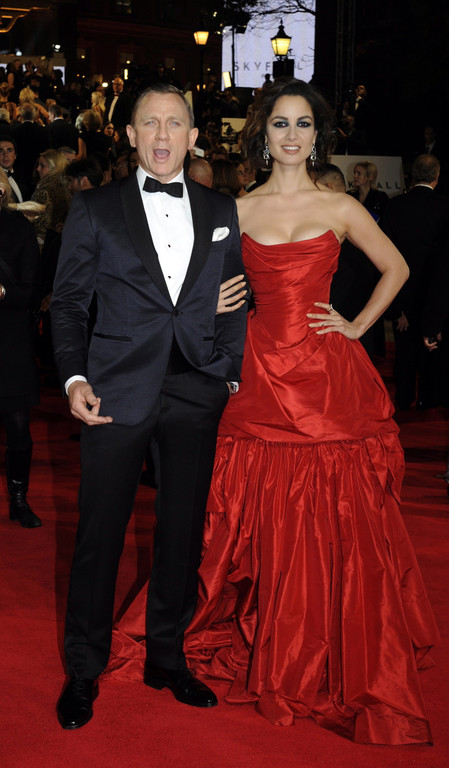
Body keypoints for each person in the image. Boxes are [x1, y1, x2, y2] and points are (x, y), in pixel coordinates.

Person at [110, 78, 438, 745]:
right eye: (280, 124)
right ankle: (256, 624)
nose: (291, 135)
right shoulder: (234, 209)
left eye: (303, 124)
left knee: (333, 511)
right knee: (242, 508)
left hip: (325, 377)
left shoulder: (339, 205)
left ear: (318, 136)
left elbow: (398, 268)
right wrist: (212, 305)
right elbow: (192, 286)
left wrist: (356, 325)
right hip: (257, 372)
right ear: (263, 134)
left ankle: (321, 639)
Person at [50, 82, 247, 730]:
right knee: (99, 535)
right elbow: (70, 303)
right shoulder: (95, 207)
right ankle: (84, 669)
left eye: (175, 123)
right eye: (150, 124)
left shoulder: (220, 206)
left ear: (193, 136)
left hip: (195, 389)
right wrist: (74, 379)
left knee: (182, 533)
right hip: (113, 389)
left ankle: (167, 656)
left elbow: (234, 295)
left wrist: (225, 374)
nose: (163, 136)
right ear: (130, 135)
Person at [380, 153, 449, 410]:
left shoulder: (394, 206)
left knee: (405, 353)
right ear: (437, 176)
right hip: (436, 295)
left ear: (411, 175)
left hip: (402, 295)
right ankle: (427, 399)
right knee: (433, 351)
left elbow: (383, 258)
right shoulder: (445, 207)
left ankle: (405, 397)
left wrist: (396, 308)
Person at [0, 169, 42, 527]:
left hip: (8, 339)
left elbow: (30, 292)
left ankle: (18, 498)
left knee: (17, 425)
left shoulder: (18, 230)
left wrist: (1, 292)